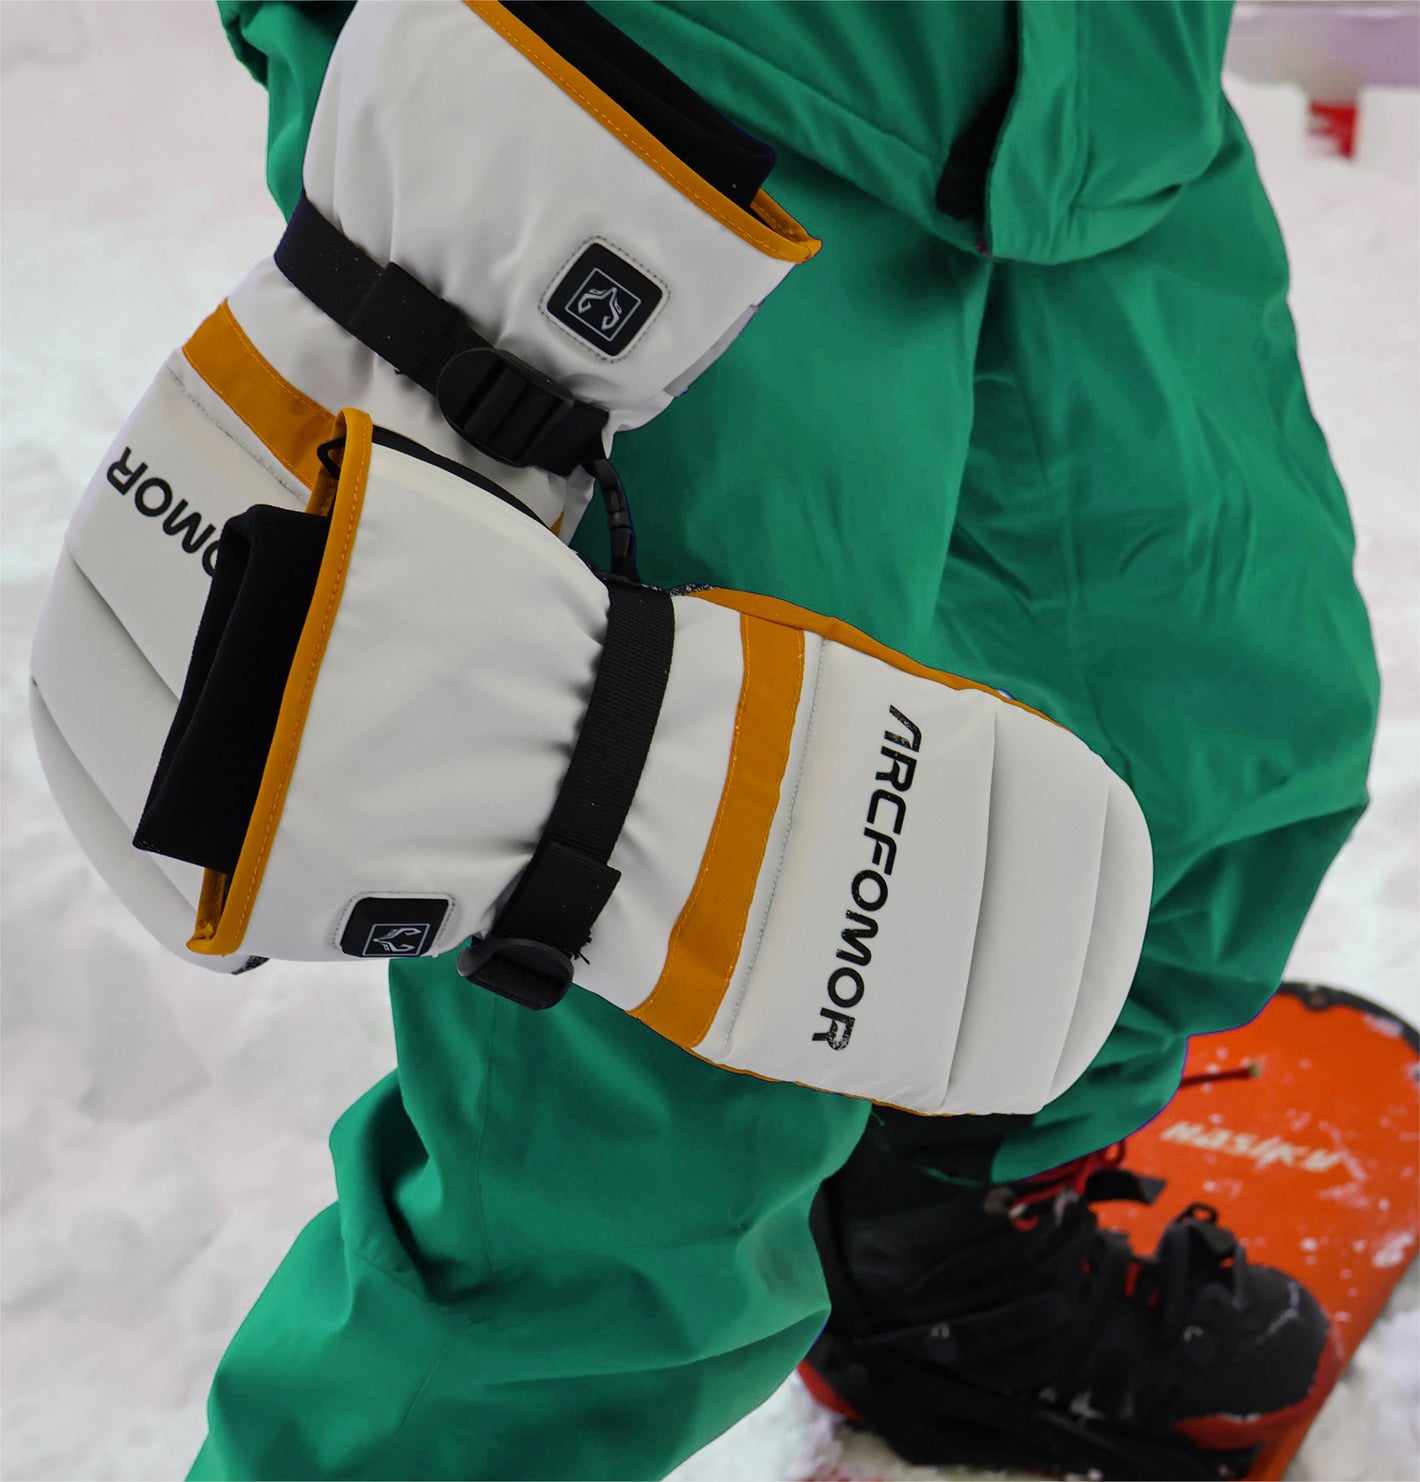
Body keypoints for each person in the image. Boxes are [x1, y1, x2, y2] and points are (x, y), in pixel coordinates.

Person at [131, 2, 1382, 1476]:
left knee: (1201, 714)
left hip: (1095, 77)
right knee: (652, 1065)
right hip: (664, 68)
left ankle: (943, 1252)